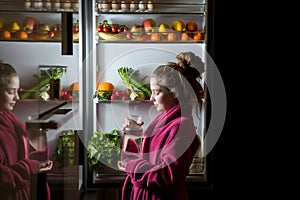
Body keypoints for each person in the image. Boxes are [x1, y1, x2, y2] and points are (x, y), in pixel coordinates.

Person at [119, 52, 205, 200]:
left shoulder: (181, 127)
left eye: (156, 92)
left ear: (174, 93)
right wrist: (133, 133)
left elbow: (168, 176)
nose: (151, 98)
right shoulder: (164, 120)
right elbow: (146, 159)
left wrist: (132, 167)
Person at [0, 61, 53, 200]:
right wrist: (31, 167)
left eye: (18, 91)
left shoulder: (8, 117)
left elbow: (23, 152)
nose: (17, 97)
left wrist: (37, 135)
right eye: (11, 92)